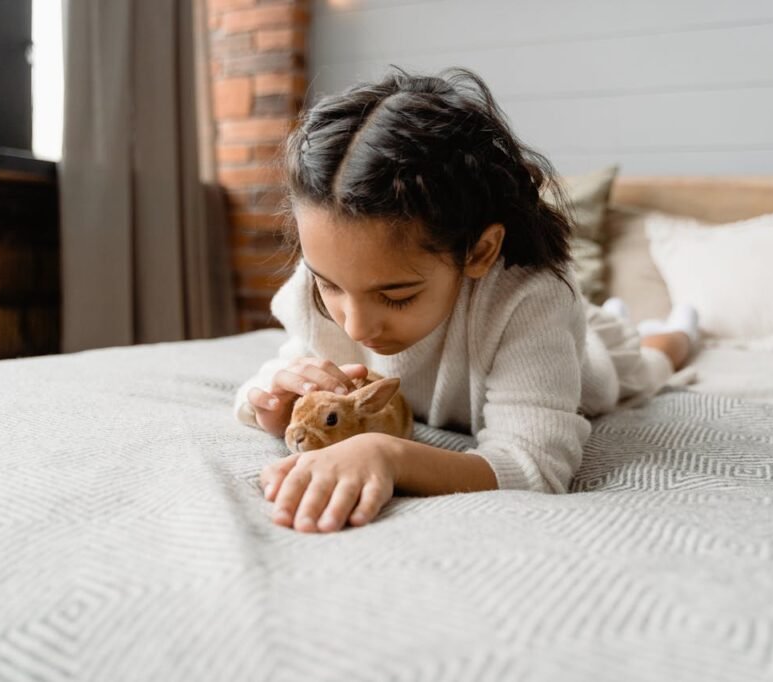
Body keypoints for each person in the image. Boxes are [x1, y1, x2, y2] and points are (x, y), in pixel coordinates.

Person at [233, 67, 699, 534]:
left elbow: (534, 465)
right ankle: (620, 317)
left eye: (395, 296)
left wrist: (389, 456)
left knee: (644, 368)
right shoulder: (330, 272)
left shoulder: (532, 300)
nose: (355, 328)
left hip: (583, 361)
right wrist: (274, 400)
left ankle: (677, 331)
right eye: (329, 287)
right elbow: (279, 371)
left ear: (479, 252)